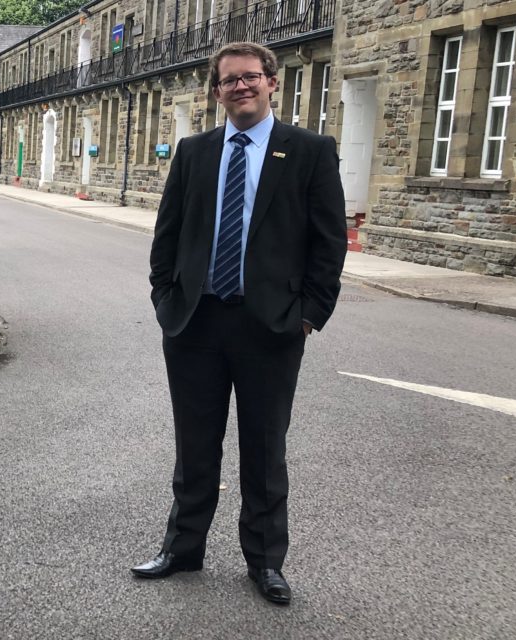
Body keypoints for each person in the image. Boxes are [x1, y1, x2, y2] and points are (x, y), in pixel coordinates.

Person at [135, 41, 347, 605]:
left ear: (272, 82)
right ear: (217, 90)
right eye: (229, 80)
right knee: (195, 446)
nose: (241, 87)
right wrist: (166, 298)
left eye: (251, 77)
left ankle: (265, 562)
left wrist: (308, 316)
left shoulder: (309, 150)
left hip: (270, 328)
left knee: (263, 450)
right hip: (195, 325)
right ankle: (182, 549)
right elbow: (168, 234)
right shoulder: (194, 151)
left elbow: (329, 244)